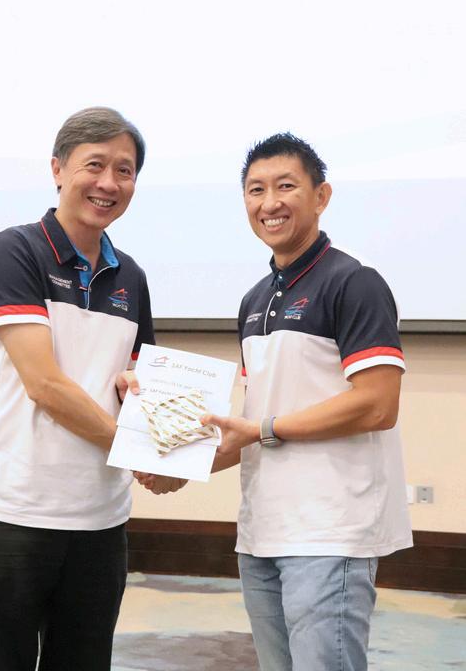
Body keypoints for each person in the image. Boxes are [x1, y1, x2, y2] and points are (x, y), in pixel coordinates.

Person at [0, 106, 180, 671]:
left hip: (100, 519)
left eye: (125, 170)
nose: (109, 183)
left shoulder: (131, 277)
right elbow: (45, 385)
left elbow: (141, 384)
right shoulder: (14, 250)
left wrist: (170, 444)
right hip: (13, 511)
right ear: (58, 169)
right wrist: (138, 451)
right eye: (94, 165)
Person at [202, 133, 412, 671]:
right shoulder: (254, 300)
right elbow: (253, 421)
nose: (269, 202)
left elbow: (378, 404)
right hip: (262, 530)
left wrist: (264, 428)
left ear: (321, 197)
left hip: (330, 529)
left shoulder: (355, 282)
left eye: (286, 186)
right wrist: (180, 463)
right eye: (256, 190)